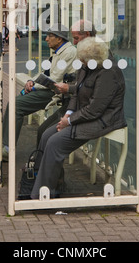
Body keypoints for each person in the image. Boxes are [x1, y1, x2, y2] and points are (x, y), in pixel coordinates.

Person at [30, 37, 126, 200]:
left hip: (103, 119)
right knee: (47, 134)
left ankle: (41, 193)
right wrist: (67, 116)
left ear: (94, 60)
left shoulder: (109, 73)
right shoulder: (86, 66)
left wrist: (70, 121)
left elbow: (96, 110)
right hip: (84, 115)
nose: (80, 63)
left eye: (83, 60)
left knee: (54, 142)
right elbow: (76, 93)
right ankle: (49, 184)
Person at [2, 24, 77, 153]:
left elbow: (55, 77)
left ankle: (8, 149)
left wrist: (34, 87)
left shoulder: (69, 52)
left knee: (16, 105)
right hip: (49, 89)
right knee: (15, 104)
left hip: (55, 92)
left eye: (50, 36)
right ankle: (7, 146)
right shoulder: (60, 51)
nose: (46, 39)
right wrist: (31, 81)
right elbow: (45, 72)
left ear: (59, 39)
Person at [36, 19, 97, 146]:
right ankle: (40, 165)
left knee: (48, 135)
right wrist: (68, 112)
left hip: (85, 111)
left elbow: (93, 95)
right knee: (44, 131)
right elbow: (79, 89)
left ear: (87, 35)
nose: (74, 42)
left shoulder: (97, 59)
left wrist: (69, 118)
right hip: (74, 105)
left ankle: (42, 165)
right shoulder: (82, 56)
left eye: (76, 38)